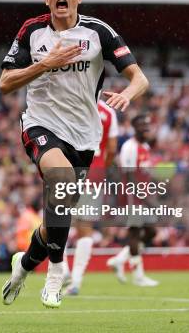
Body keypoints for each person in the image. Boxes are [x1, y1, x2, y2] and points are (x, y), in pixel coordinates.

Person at [0, 0, 149, 308]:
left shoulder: (99, 32)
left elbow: (140, 78)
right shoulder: (32, 31)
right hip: (40, 124)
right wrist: (44, 64)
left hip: (84, 135)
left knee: (56, 218)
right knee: (61, 179)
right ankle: (54, 276)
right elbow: (5, 83)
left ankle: (23, 266)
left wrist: (129, 93)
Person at [64, 99, 118, 295]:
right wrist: (102, 167)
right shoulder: (108, 112)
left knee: (56, 221)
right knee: (85, 228)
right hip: (94, 174)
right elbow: (111, 149)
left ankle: (63, 270)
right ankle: (76, 281)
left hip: (70, 169)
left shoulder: (72, 103)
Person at [106, 114, 159, 287]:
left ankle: (120, 259)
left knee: (151, 232)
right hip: (133, 197)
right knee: (135, 234)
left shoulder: (144, 146)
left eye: (147, 125)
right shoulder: (129, 147)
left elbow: (145, 173)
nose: (146, 129)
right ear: (134, 127)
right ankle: (138, 275)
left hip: (145, 196)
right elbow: (129, 176)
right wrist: (144, 196)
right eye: (142, 125)